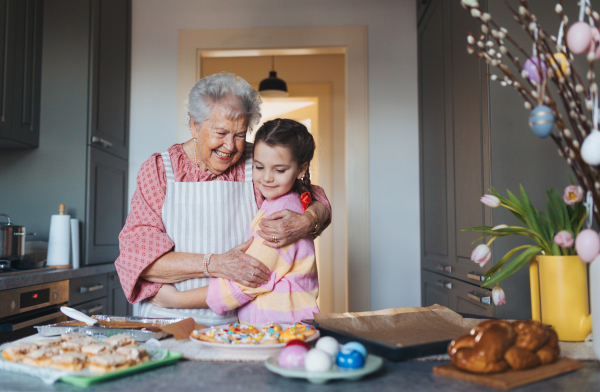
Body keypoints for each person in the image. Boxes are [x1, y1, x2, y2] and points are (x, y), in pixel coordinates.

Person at [115, 73, 331, 326]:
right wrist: (214, 264)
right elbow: (140, 259)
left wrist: (307, 220)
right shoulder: (160, 171)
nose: (230, 146)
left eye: (240, 134)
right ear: (194, 125)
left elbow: (311, 196)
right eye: (220, 132)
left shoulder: (257, 163)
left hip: (235, 322)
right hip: (167, 317)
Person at [149, 119, 319, 324]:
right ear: (194, 126)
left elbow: (250, 280)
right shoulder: (278, 202)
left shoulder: (282, 216)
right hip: (270, 327)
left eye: (279, 170)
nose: (267, 178)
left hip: (286, 328)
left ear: (301, 170)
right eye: (259, 166)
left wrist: (176, 300)